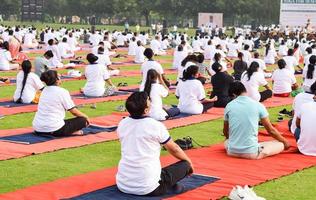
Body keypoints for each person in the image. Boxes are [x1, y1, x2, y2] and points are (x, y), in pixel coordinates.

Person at [116, 92, 193, 196]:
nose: (150, 102)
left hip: (123, 184)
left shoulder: (122, 124)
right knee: (185, 165)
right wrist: (189, 162)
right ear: (146, 110)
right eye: (149, 100)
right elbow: (173, 148)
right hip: (149, 188)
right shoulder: (155, 125)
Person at [223, 81, 290, 160]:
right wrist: (285, 142)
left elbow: (225, 131)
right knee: (280, 144)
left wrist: (232, 141)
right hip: (251, 153)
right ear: (245, 91)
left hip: (232, 152)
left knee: (227, 141)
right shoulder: (258, 105)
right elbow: (271, 130)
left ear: (233, 95)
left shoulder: (229, 105)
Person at [32, 70, 89, 136]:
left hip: (38, 128)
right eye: (59, 77)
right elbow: (73, 111)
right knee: (83, 120)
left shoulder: (44, 91)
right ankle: (70, 133)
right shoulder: (62, 91)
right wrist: (86, 117)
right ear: (57, 80)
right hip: (54, 129)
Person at [295, 90, 316, 156]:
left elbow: (298, 125)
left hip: (304, 149)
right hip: (304, 149)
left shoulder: (304, 105)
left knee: (297, 130)